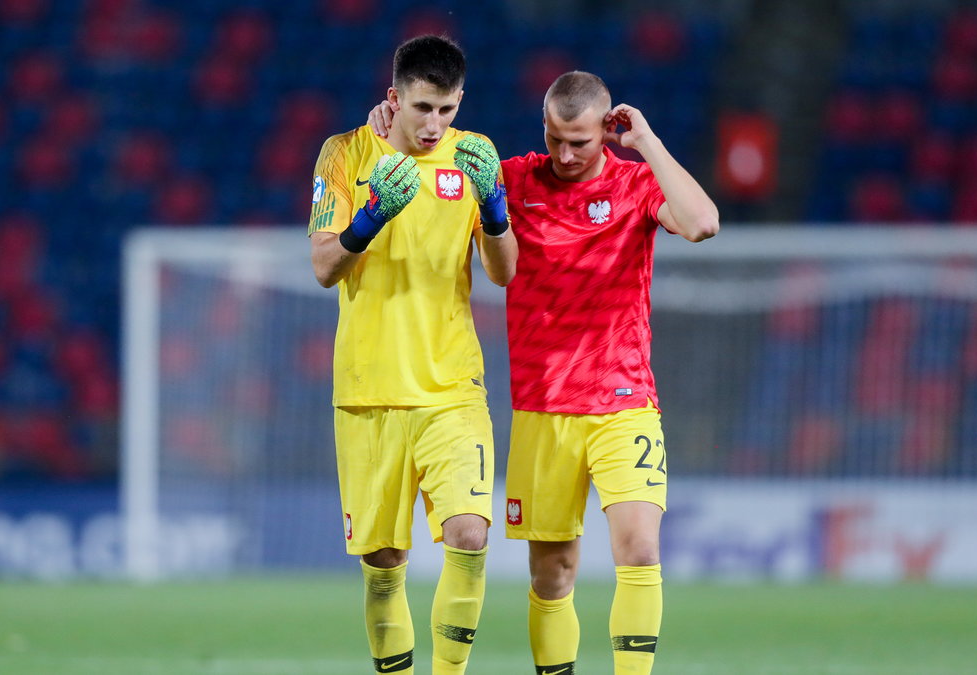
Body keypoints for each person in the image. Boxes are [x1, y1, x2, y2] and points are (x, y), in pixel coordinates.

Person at [368, 70, 719, 674]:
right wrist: (393, 134)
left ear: (608, 131)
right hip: (543, 408)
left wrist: (650, 144)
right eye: (555, 138)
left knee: (638, 547)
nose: (564, 153)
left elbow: (702, 223)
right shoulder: (513, 179)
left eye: (580, 142)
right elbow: (437, 170)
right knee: (553, 573)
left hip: (623, 402)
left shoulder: (636, 184)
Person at [308, 34, 518, 675]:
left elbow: (504, 274)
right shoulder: (345, 154)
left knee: (471, 534)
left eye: (447, 110)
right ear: (394, 98)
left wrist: (498, 210)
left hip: (452, 387)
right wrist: (369, 219)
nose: (434, 125)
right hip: (369, 390)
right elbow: (323, 266)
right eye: (423, 108)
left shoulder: (478, 155)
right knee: (383, 565)